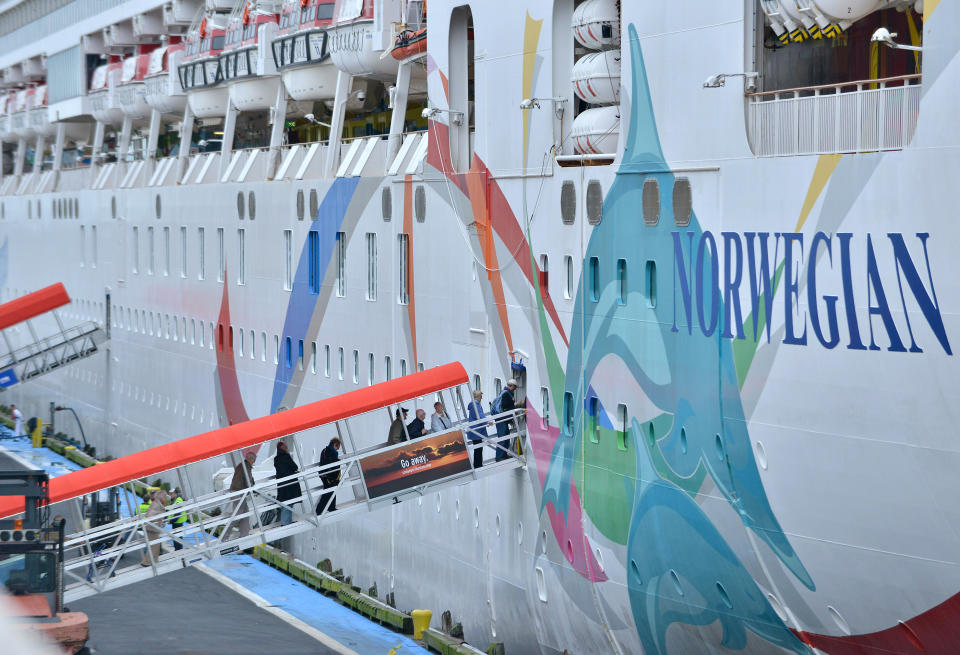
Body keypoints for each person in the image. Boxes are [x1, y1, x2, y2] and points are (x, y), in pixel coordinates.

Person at [228, 451, 257, 539]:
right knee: (237, 515)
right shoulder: (246, 467)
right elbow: (248, 481)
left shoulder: (241, 465)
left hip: (237, 492)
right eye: (254, 460)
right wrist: (252, 487)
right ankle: (224, 535)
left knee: (245, 514)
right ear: (251, 459)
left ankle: (244, 535)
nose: (254, 462)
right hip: (239, 493)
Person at [273, 441, 302, 525]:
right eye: (285, 447)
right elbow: (294, 466)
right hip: (290, 483)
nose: (287, 448)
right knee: (289, 502)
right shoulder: (286, 456)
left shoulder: (276, 459)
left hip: (282, 484)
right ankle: (285, 522)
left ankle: (287, 521)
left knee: (286, 503)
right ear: (282, 448)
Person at [140, 490, 169, 566]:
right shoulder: (156, 504)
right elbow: (149, 516)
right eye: (165, 496)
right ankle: (146, 562)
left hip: (153, 528)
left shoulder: (158, 503)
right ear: (161, 497)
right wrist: (158, 519)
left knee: (156, 545)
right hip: (151, 528)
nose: (166, 498)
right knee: (153, 546)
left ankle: (155, 560)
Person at [466, 390, 492, 469]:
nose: (481, 398)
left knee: (478, 448)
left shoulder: (473, 404)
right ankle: (478, 465)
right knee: (478, 449)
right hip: (476, 431)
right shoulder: (476, 405)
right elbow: (480, 415)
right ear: (478, 397)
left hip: (475, 430)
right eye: (481, 396)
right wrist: (487, 422)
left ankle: (478, 464)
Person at [493, 379, 518, 461]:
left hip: (503, 419)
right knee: (503, 437)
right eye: (515, 387)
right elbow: (505, 405)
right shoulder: (506, 394)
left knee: (506, 436)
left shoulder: (505, 392)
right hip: (501, 418)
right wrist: (512, 401)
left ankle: (504, 455)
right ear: (511, 386)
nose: (515, 389)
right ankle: (499, 457)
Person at [317, 438, 341, 514]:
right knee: (328, 492)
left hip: (325, 474)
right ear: (335, 445)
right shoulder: (330, 452)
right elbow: (330, 464)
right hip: (328, 476)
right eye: (337, 447)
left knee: (331, 491)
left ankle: (331, 507)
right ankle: (319, 510)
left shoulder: (325, 450)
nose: (337, 449)